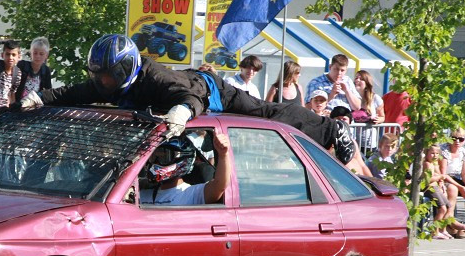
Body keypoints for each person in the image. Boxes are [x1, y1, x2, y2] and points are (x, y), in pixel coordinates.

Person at [21, 34, 369, 175]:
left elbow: (190, 97)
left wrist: (182, 111)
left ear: (125, 68)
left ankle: (331, 128)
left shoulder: (157, 78)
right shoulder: (105, 82)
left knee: (268, 113)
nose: (103, 84)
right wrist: (36, 98)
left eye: (109, 77)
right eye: (100, 77)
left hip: (212, 93)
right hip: (179, 106)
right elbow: (73, 93)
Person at [140, 133, 232, 205]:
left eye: (164, 157)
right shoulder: (141, 195)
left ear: (180, 158)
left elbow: (219, 185)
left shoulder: (192, 194)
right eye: (154, 156)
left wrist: (223, 155)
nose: (157, 162)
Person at [422, 145, 455, 240]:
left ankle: (442, 230)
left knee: (448, 207)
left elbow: (439, 175)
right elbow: (429, 179)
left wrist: (442, 181)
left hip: (435, 187)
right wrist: (440, 177)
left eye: (437, 153)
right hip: (429, 188)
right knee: (442, 209)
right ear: (427, 153)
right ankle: (435, 231)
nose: (435, 155)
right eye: (432, 153)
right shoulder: (427, 164)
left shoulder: (434, 164)